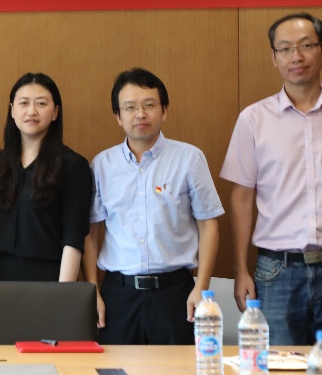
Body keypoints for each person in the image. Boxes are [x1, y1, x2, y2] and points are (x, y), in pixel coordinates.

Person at [221, 12, 322, 361]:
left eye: (306, 46)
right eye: (285, 49)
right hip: (276, 271)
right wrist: (240, 270)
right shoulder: (253, 120)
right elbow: (242, 199)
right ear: (274, 57)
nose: (296, 56)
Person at [84, 68, 223, 344]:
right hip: (118, 295)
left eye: (149, 105)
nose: (140, 114)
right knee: (115, 371)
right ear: (118, 116)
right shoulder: (102, 165)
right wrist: (92, 291)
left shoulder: (189, 159)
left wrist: (201, 286)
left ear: (164, 111)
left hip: (176, 292)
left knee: (179, 371)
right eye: (130, 107)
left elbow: (209, 225)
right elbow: (90, 233)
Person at [0, 72, 92, 282]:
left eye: (41, 103)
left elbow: (73, 238)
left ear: (55, 112)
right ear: (12, 110)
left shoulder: (73, 165)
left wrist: (63, 294)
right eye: (24, 103)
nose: (31, 111)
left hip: (50, 281)